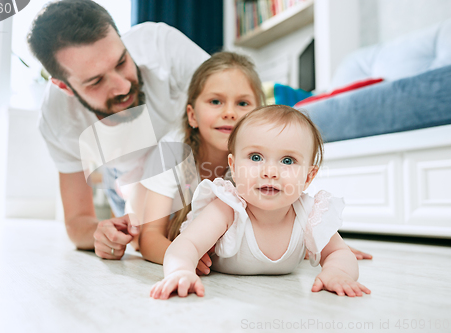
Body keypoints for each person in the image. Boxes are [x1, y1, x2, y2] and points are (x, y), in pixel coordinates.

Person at [27, 0, 209, 259]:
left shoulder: (161, 45)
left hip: (197, 159)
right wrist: (100, 233)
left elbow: (238, 102)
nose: (123, 86)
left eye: (121, 61)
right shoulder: (57, 119)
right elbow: (78, 222)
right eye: (96, 81)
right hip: (126, 178)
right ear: (64, 87)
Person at [150, 105, 371, 299]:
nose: (270, 172)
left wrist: (338, 272)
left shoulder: (309, 212)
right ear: (234, 167)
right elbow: (185, 245)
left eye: (287, 160)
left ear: (308, 177)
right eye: (256, 157)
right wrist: (181, 271)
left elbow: (338, 253)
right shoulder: (228, 208)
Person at [137, 52, 265, 275]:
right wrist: (183, 256)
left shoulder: (263, 159)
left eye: (242, 103)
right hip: (141, 202)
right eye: (216, 101)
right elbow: (149, 237)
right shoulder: (171, 151)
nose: (229, 113)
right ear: (192, 115)